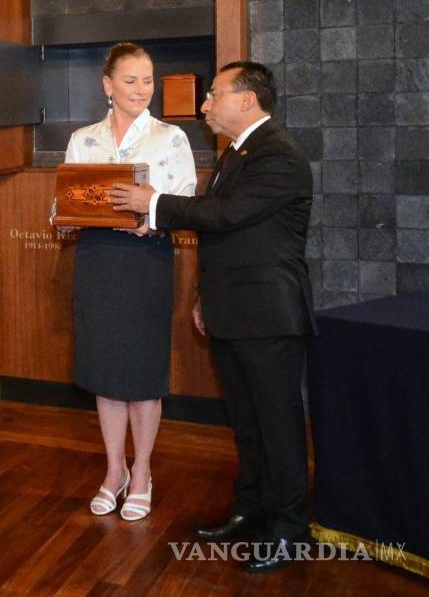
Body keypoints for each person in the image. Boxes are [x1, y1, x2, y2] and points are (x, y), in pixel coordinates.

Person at [110, 61, 315, 573]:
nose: (205, 104)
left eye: (214, 94)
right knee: (246, 424)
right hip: (232, 309)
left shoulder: (279, 156)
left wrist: (151, 201)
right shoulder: (236, 153)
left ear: (246, 100)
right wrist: (204, 295)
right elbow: (222, 237)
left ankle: (290, 529)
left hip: (268, 315)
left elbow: (223, 215)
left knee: (279, 426)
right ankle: (251, 511)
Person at [53, 43, 196, 522]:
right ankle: (113, 470)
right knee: (107, 372)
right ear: (107, 84)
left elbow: (186, 204)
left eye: (148, 80)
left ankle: (142, 472)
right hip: (97, 262)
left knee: (142, 372)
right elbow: (63, 206)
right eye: (131, 80)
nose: (141, 89)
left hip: (145, 261)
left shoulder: (170, 137)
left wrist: (150, 218)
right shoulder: (83, 139)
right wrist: (67, 216)